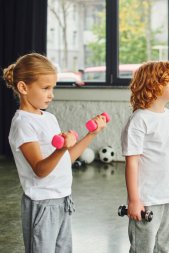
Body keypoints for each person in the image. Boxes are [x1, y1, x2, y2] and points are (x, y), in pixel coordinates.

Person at [2, 53, 107, 253]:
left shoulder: (48, 118)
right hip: (42, 205)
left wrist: (91, 134)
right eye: (45, 88)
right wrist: (61, 148)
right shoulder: (22, 124)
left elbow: (65, 160)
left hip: (63, 199)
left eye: (53, 88)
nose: (51, 94)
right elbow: (40, 169)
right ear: (23, 88)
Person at [121, 61, 169, 253]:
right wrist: (134, 200)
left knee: (165, 247)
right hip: (147, 199)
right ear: (155, 86)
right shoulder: (139, 120)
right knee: (143, 248)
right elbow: (132, 163)